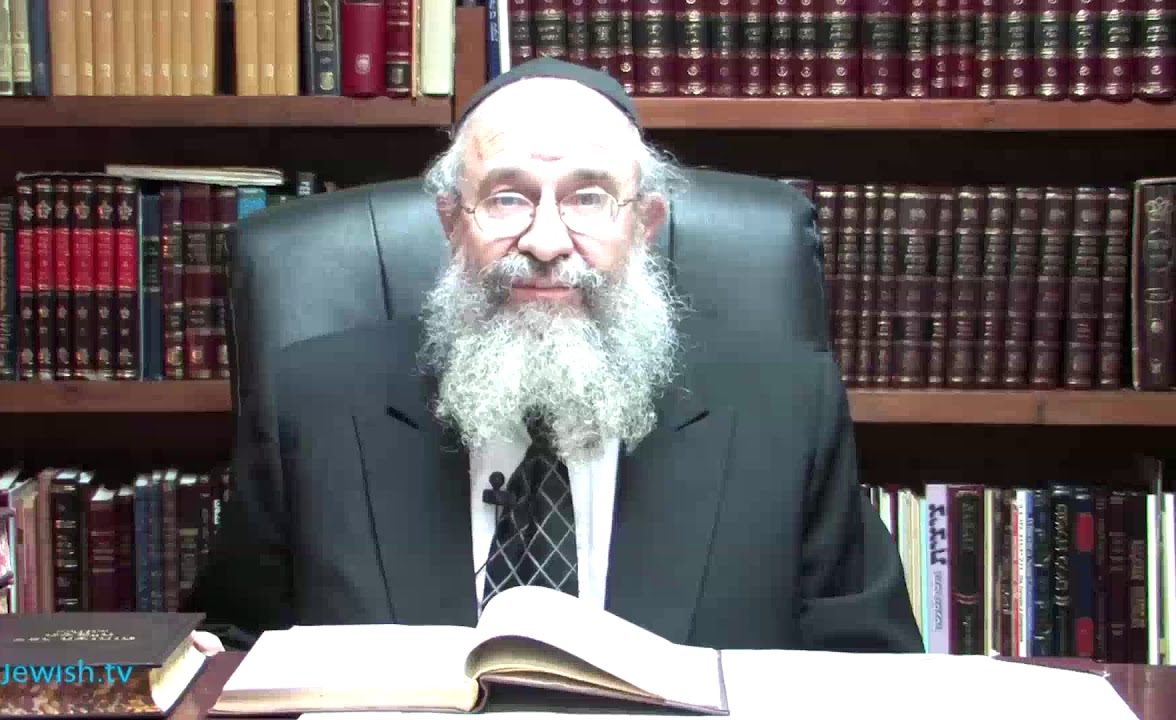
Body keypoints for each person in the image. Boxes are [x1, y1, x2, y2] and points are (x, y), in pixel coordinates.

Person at [185, 58, 923, 657]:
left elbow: (868, 668)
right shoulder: (312, 402)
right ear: (452, 222)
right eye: (507, 198)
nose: (545, 241)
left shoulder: (786, 406)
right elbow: (236, 648)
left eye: (588, 198)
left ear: (645, 224)